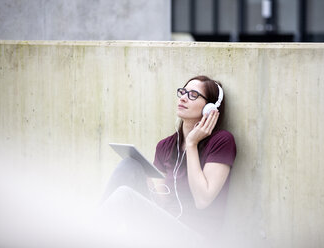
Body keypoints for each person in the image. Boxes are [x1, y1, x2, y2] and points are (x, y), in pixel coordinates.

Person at [97, 75, 237, 247]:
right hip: (165, 227)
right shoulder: (165, 146)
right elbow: (164, 202)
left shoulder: (222, 141)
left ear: (209, 108)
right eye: (183, 92)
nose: (184, 97)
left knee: (125, 196)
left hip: (195, 238)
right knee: (129, 165)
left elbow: (203, 199)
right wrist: (147, 183)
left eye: (193, 95)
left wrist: (192, 144)